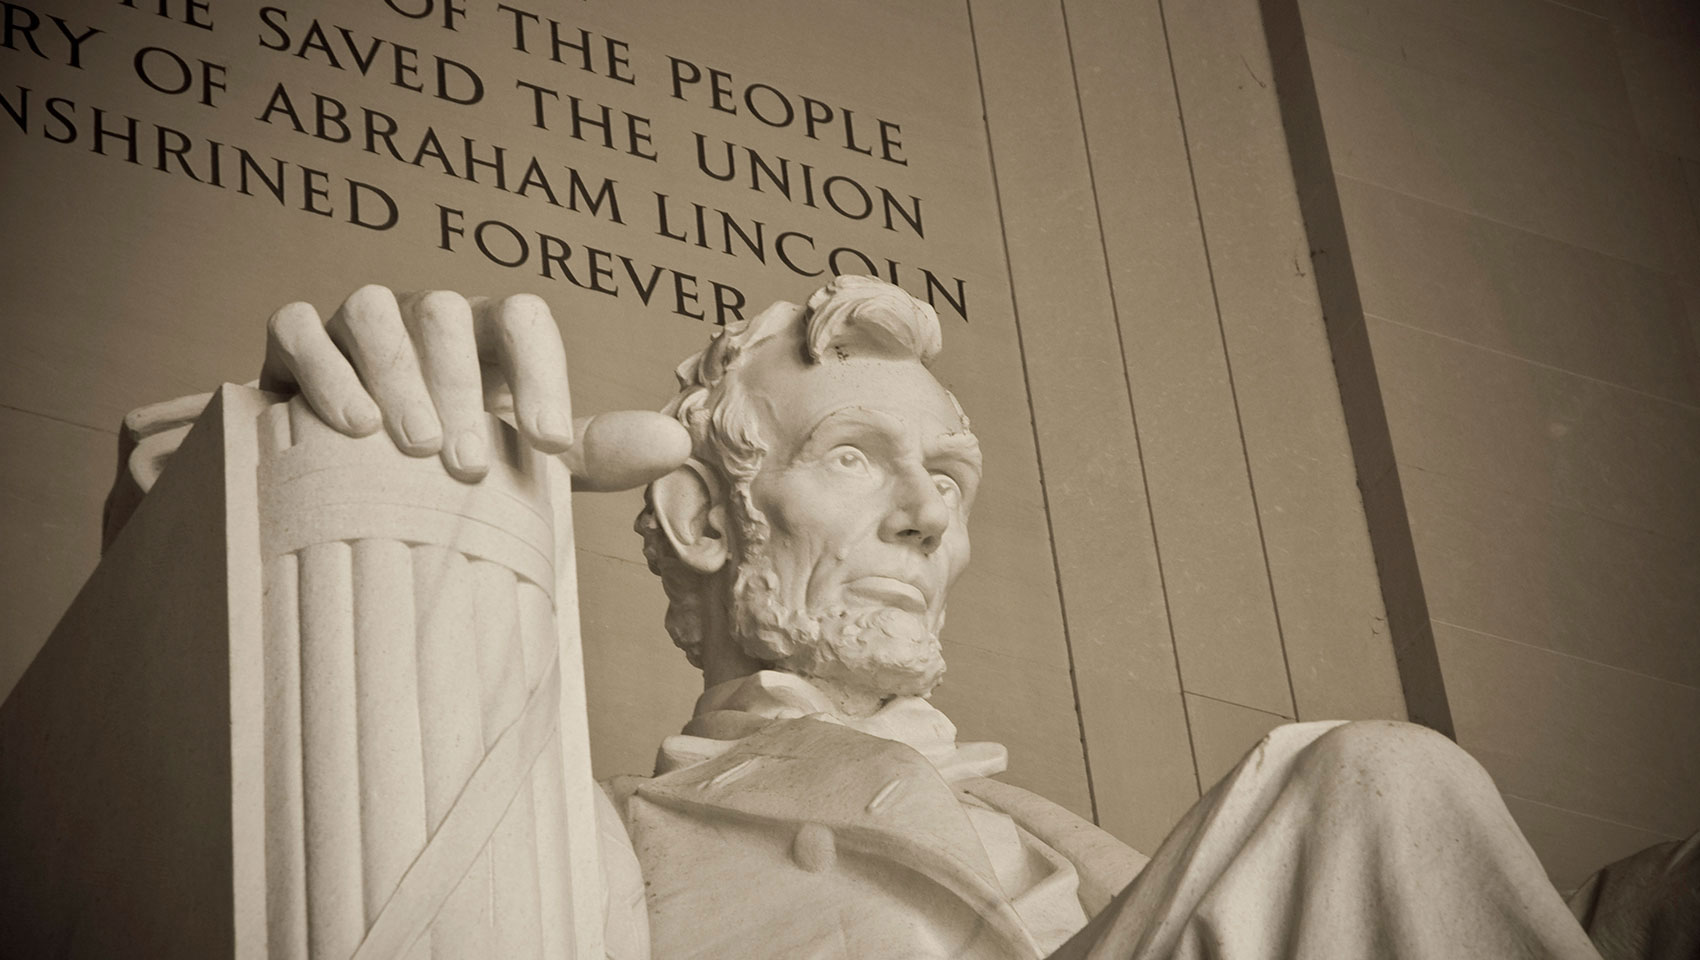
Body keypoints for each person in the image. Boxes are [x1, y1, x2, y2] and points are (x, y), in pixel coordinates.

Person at [123, 278, 1692, 959]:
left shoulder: (1072, 837)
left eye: (948, 471)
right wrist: (339, 455)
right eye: (858, 458)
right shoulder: (605, 837)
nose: (933, 515)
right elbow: (263, 837)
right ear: (693, 515)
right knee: (1371, 783)